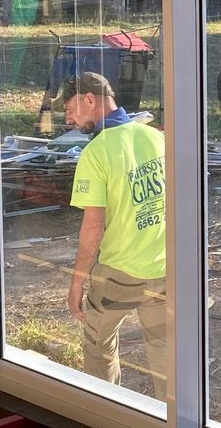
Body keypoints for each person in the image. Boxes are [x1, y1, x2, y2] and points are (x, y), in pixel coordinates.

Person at [62, 71, 171, 396]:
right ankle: (175, 422)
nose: (68, 118)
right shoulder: (155, 137)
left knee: (99, 346)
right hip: (164, 270)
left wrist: (77, 281)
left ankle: (107, 412)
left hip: (118, 277)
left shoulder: (96, 153)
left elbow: (93, 228)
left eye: (69, 109)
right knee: (167, 353)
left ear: (90, 99)